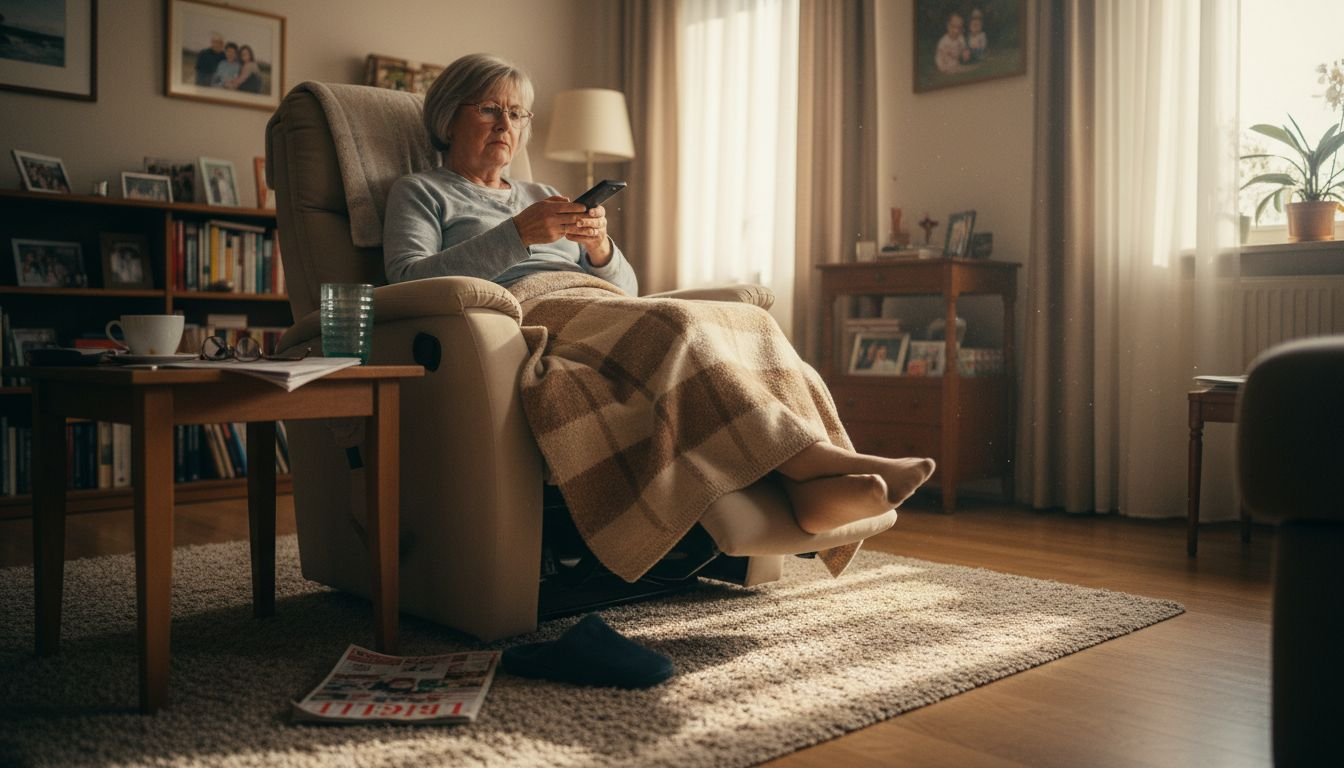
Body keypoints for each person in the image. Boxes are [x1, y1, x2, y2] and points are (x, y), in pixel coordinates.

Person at [384, 53, 934, 549]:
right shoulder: (421, 191)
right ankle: (821, 460)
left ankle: (815, 496)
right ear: (447, 117)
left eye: (518, 114)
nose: (507, 125)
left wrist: (599, 248)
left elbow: (627, 293)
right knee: (676, 321)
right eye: (489, 110)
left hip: (593, 300)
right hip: (527, 309)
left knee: (745, 318)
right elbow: (406, 281)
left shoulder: (538, 193)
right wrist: (518, 236)